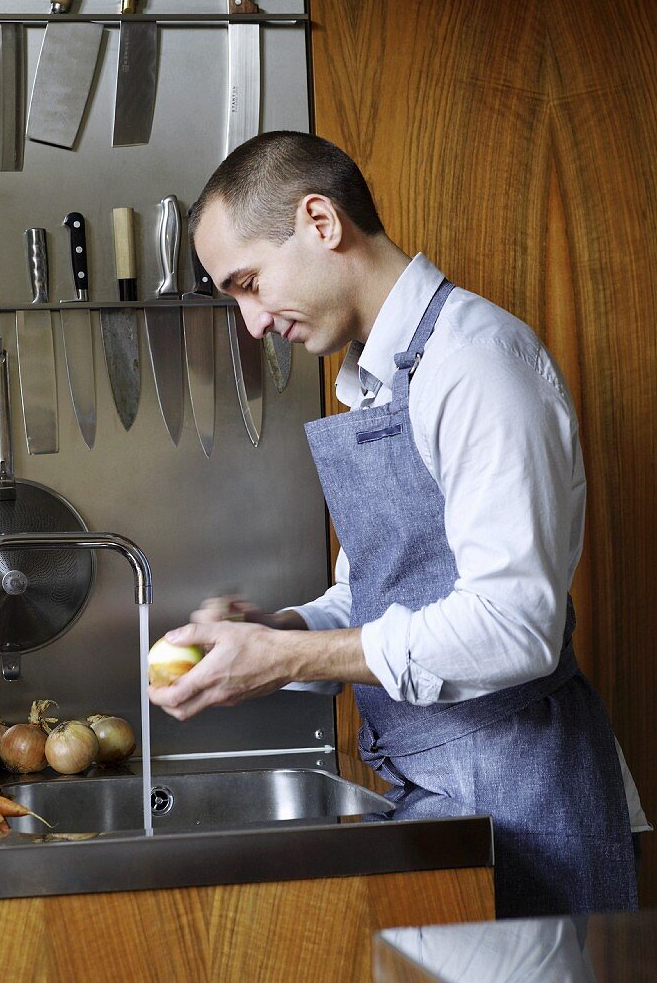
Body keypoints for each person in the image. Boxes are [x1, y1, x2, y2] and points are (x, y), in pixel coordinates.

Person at [147, 130, 648, 918]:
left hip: (527, 795)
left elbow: (516, 627)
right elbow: (379, 595)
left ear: (320, 221)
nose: (250, 324)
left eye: (248, 283)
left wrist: (286, 658)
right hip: (441, 793)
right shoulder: (378, 381)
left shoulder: (476, 366)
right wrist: (277, 632)